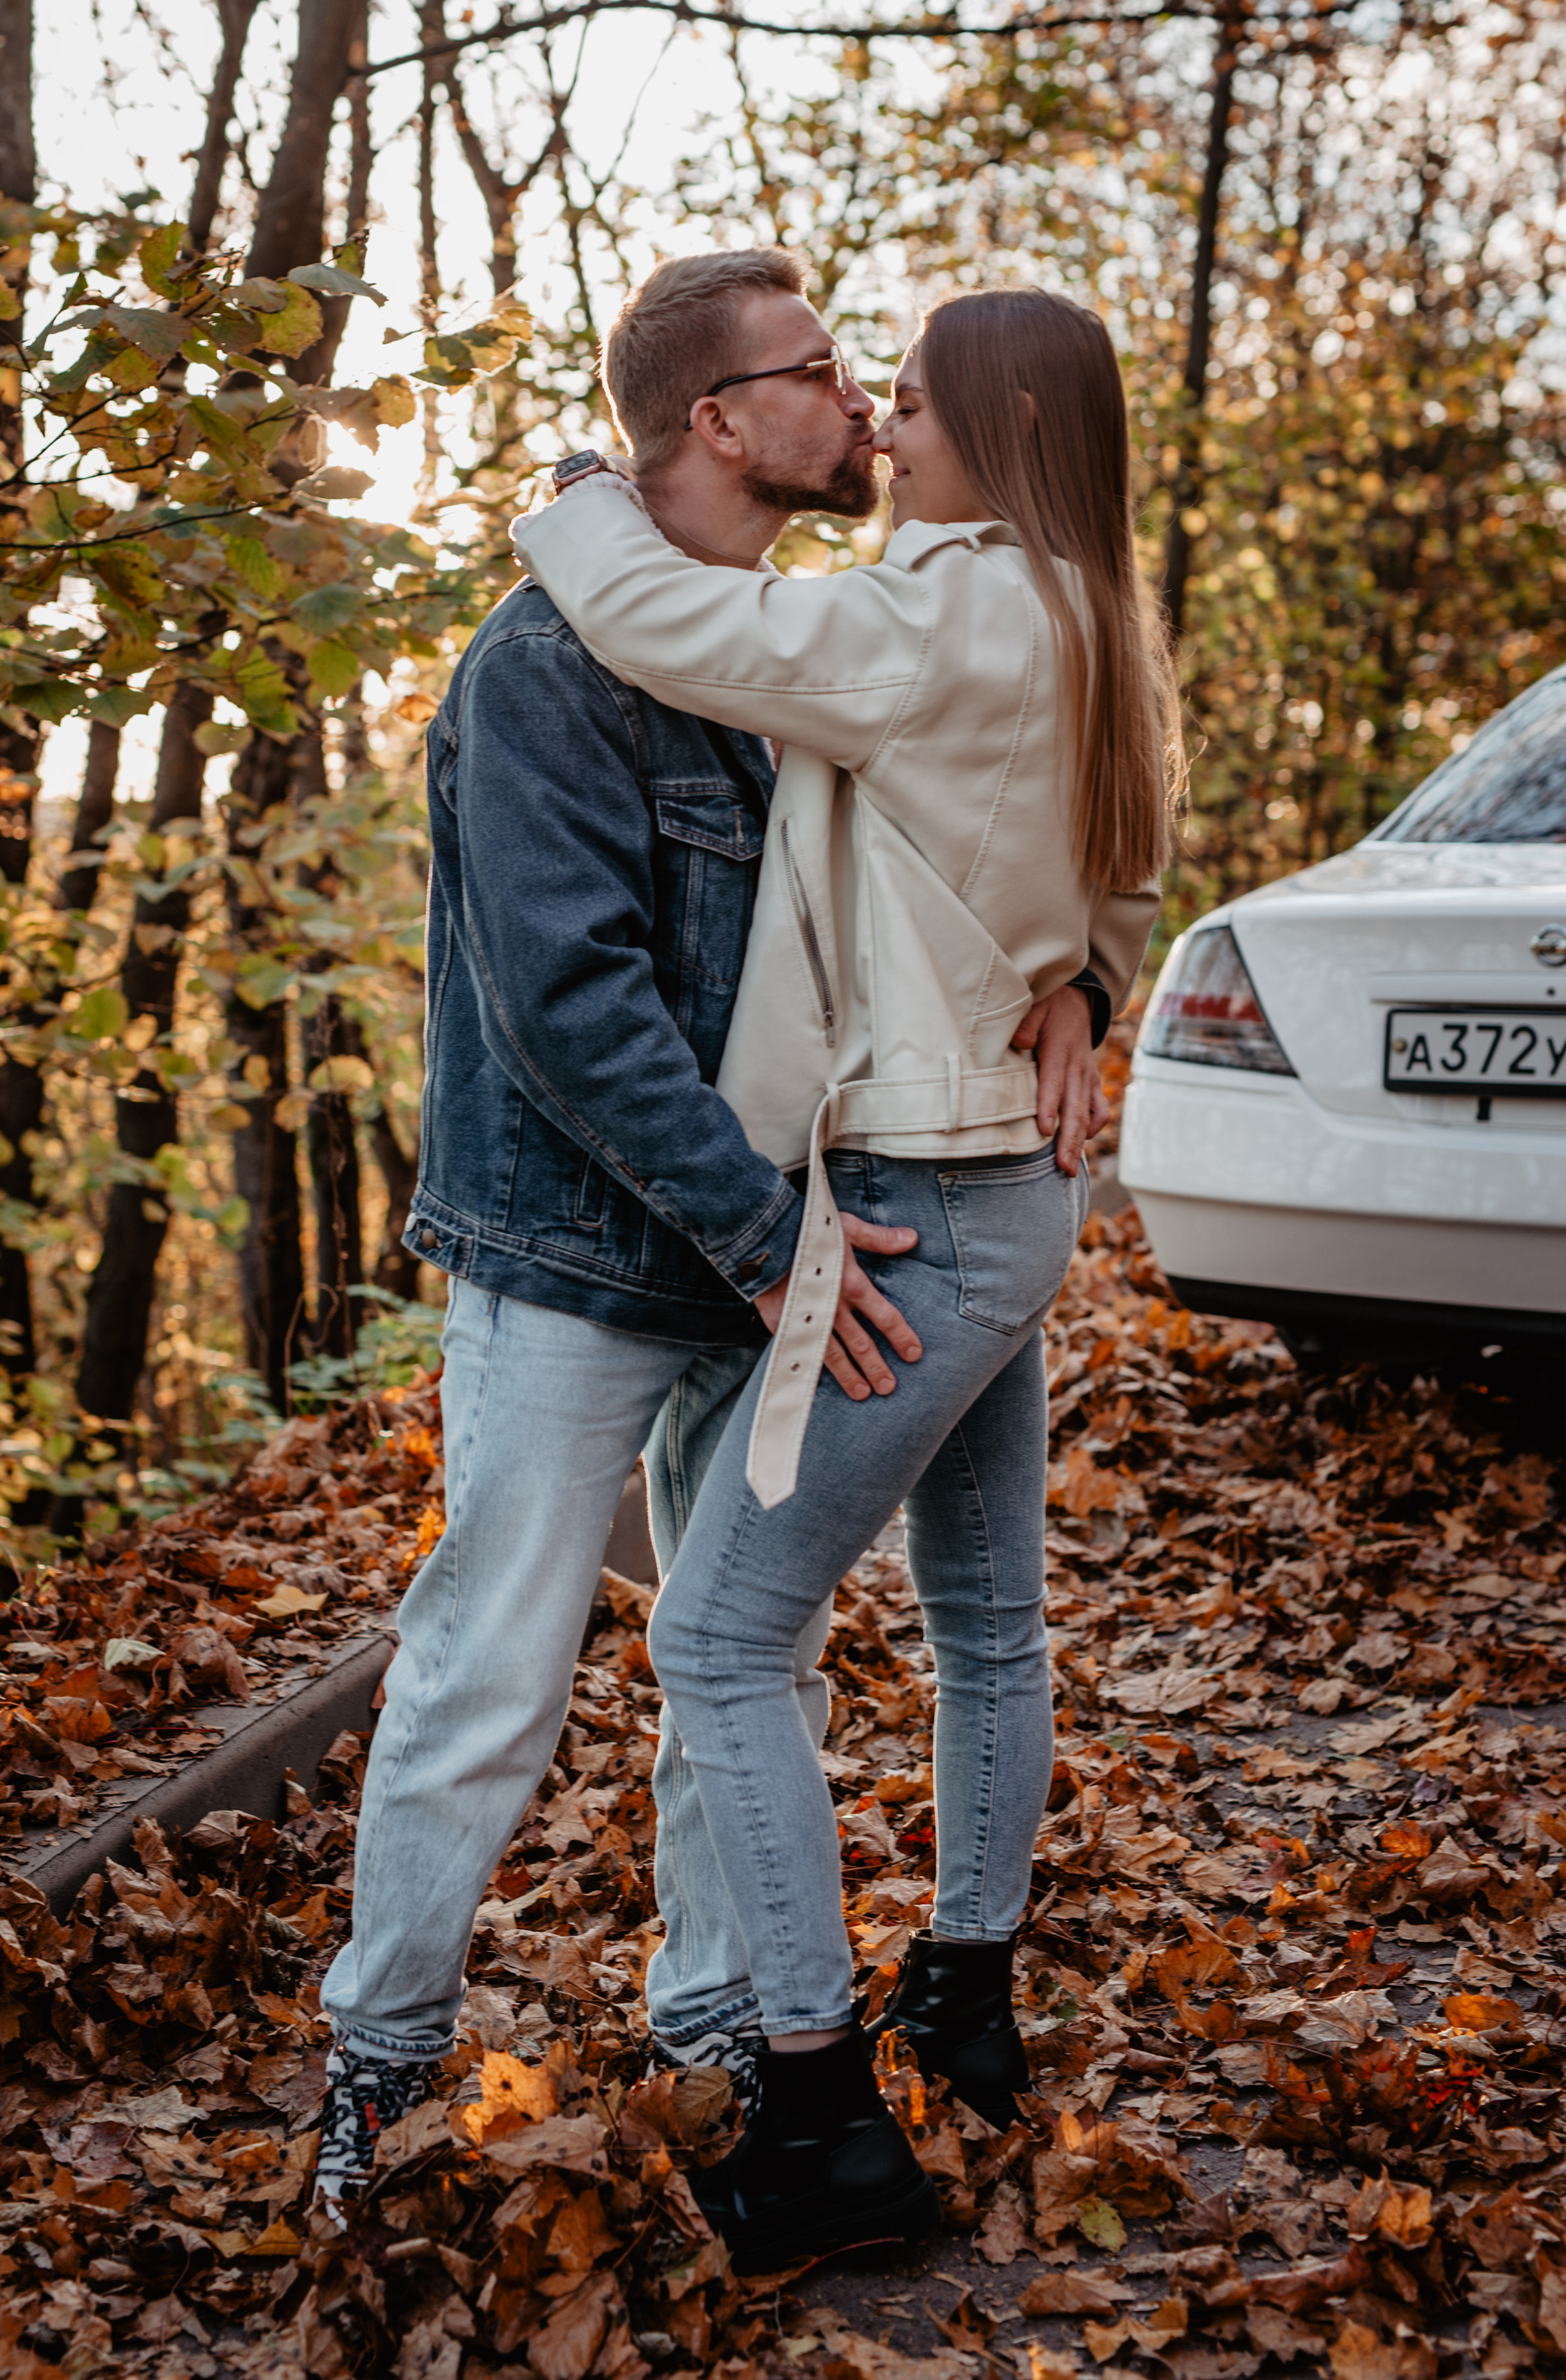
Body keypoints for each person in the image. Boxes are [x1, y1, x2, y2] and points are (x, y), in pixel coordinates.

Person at [310, 252, 1106, 2219]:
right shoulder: (550, 668)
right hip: (598, 1252)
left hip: (785, 1234)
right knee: (488, 1666)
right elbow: (574, 1007)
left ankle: (724, 2013)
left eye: (871, 374)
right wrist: (769, 1244)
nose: (857, 402)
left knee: (747, 1657)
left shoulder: (812, 640)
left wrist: (1078, 967)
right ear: (716, 421)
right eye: (819, 374)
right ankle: (382, 2053)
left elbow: (971, 845)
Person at [513, 285, 1177, 2272]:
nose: (881, 425)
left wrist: (567, 494)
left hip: (924, 1203)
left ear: (1012, 410)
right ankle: (966, 1988)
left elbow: (682, 625)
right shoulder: (1082, 608)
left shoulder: (945, 611)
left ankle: (819, 2107)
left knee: (717, 1637)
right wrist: (1090, 982)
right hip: (1007, 1191)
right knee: (987, 1622)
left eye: (906, 395)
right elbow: (1121, 865)